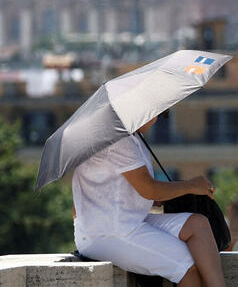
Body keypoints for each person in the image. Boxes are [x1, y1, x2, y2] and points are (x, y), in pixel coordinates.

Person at [72, 114, 226, 287]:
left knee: (197, 223)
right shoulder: (118, 140)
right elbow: (150, 189)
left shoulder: (129, 137)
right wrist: (191, 186)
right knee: (187, 265)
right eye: (157, 114)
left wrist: (146, 200)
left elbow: (118, 187)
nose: (156, 119)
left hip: (126, 221)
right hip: (106, 233)